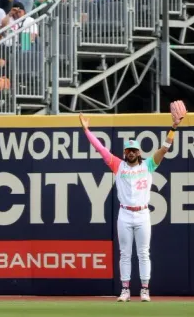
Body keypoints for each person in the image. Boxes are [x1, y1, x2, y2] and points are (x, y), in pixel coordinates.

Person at [79, 100, 188, 302]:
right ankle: (125, 290)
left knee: (144, 253)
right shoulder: (118, 165)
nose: (130, 152)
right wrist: (87, 131)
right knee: (125, 254)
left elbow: (164, 149)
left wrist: (173, 127)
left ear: (139, 152)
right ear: (125, 153)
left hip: (142, 213)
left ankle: (145, 289)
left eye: (134, 150)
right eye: (128, 150)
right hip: (125, 213)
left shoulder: (148, 165)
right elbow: (100, 149)